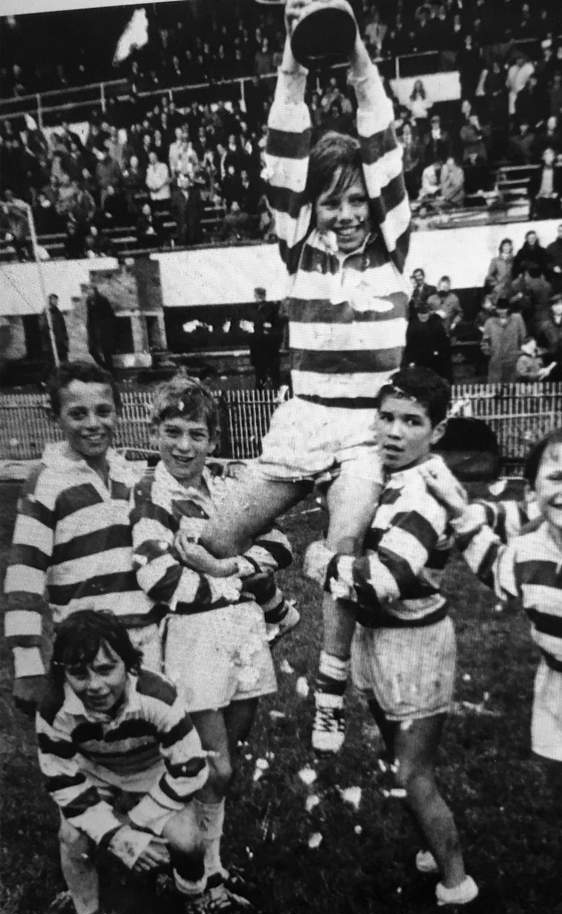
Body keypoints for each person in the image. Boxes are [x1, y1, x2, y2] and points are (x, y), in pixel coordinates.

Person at [182, 0, 411, 757]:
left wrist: (356, 62)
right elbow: (283, 146)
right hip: (303, 417)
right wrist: (291, 62)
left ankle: (333, 691)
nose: (347, 214)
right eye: (331, 201)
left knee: (344, 561)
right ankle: (276, 599)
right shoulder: (298, 250)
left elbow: (380, 137)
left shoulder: (392, 250)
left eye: (356, 200)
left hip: (362, 432)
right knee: (204, 542)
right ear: (310, 207)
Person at [303, 367, 479, 909]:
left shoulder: (427, 491)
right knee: (399, 762)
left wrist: (321, 560)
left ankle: (457, 884)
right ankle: (432, 850)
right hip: (376, 641)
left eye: (412, 421)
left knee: (414, 771)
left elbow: (384, 579)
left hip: (414, 643)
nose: (395, 432)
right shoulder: (383, 474)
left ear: (437, 430)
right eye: (386, 417)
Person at [130, 376, 295, 914]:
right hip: (195, 637)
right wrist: (234, 579)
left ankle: (212, 866)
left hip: (244, 633)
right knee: (210, 767)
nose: (183, 445)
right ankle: (190, 881)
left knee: (227, 765)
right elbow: (159, 577)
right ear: (154, 431)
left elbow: (280, 545)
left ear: (212, 438)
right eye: (172, 431)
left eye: (196, 434)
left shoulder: (227, 485)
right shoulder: (149, 494)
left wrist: (223, 565)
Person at [37, 610, 209, 914]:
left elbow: (189, 768)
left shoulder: (156, 694)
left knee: (189, 841)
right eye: (78, 673)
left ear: (128, 665)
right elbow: (62, 781)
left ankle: (191, 892)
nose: (94, 685)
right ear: (62, 672)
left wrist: (132, 825)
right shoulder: (54, 709)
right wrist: (119, 839)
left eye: (105, 669)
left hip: (155, 771)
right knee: (72, 837)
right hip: (95, 773)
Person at [3, 361, 161, 715]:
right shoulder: (46, 482)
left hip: (145, 634)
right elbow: (24, 577)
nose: (93, 424)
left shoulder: (129, 475)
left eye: (103, 411)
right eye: (77, 413)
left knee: (150, 733)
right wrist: (28, 664)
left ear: (117, 413)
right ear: (54, 416)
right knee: (95, 743)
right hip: (85, 643)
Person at [422, 428, 562, 806]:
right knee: (555, 772)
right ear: (531, 492)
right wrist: (460, 511)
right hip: (557, 682)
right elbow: (496, 566)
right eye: (556, 478)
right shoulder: (531, 547)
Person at [402, 302, 452, 382]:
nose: (423, 316)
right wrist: (410, 360)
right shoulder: (412, 325)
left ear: (429, 313)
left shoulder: (436, 324)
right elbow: (410, 344)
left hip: (435, 357)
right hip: (419, 357)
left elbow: (443, 341)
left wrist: (438, 352)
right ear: (417, 314)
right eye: (420, 314)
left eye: (425, 313)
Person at [481, 297, 527, 383]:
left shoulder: (517, 319)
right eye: (500, 309)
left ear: (509, 309)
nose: (502, 311)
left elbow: (523, 337)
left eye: (504, 309)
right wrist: (490, 351)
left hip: (513, 360)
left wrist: (519, 353)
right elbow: (485, 341)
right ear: (496, 309)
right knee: (495, 389)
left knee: (512, 388)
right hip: (496, 361)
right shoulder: (489, 322)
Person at [248, 286, 283, 390]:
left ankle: (269, 390)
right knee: (262, 374)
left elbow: (268, 324)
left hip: (267, 348)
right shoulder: (262, 308)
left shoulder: (269, 308)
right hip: (262, 348)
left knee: (270, 373)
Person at [85, 285, 116, 370]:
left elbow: (110, 315)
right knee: (92, 350)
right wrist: (88, 327)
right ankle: (104, 366)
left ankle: (110, 371)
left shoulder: (103, 300)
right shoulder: (88, 301)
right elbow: (89, 315)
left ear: (95, 291)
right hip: (93, 330)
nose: (89, 292)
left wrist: (107, 328)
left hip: (104, 330)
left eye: (90, 290)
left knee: (106, 352)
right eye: (88, 291)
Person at [39, 292, 69, 369]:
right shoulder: (46, 312)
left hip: (60, 342)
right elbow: (42, 327)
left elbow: (63, 327)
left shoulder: (58, 312)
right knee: (51, 363)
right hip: (50, 343)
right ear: (50, 301)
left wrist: (65, 339)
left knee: (64, 361)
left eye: (56, 300)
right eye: (53, 300)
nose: (55, 301)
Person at [484, 238, 514, 303]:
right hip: (499, 290)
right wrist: (496, 284)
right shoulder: (496, 260)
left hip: (511, 290)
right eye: (505, 246)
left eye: (509, 246)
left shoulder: (515, 260)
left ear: (511, 247)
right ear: (501, 247)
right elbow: (489, 276)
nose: (507, 248)